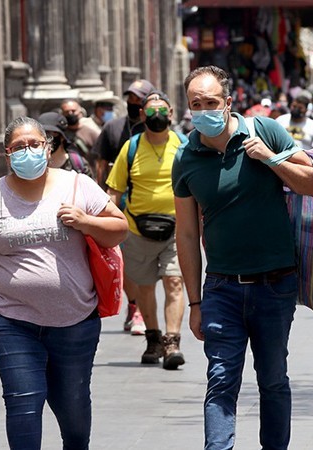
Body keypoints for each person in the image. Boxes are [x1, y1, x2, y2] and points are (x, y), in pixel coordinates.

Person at [0, 116, 127, 449]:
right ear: (7, 154)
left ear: (48, 148)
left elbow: (119, 229)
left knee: (73, 407)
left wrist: (85, 221)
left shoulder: (77, 185)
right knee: (23, 400)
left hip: (75, 321)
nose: (27, 151)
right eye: (18, 147)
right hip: (10, 319)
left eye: (34, 144)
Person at [173, 66, 313, 450]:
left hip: (275, 285)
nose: (203, 110)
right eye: (195, 104)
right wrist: (194, 302)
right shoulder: (186, 156)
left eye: (210, 102)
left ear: (228, 102)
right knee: (221, 380)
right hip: (221, 289)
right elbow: (186, 233)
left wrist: (271, 159)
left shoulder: (265, 130)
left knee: (273, 379)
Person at [105, 90, 187, 369]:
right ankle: (153, 339)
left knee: (174, 282)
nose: (157, 116)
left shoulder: (184, 146)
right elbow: (114, 191)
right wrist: (109, 227)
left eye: (162, 111)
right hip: (137, 231)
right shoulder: (131, 148)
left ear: (171, 114)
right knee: (145, 287)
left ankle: (172, 342)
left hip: (176, 230)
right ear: (141, 115)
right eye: (151, 111)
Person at [91, 78, 156, 335]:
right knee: (126, 258)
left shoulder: (158, 128)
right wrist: (100, 198)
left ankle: (144, 307)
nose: (132, 102)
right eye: (130, 98)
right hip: (121, 203)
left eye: (138, 99)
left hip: (152, 204)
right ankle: (135, 304)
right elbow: (101, 164)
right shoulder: (114, 128)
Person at [38, 111, 92, 177]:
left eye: (53, 133)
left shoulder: (77, 164)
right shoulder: (33, 165)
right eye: (42, 133)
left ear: (62, 137)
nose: (47, 138)